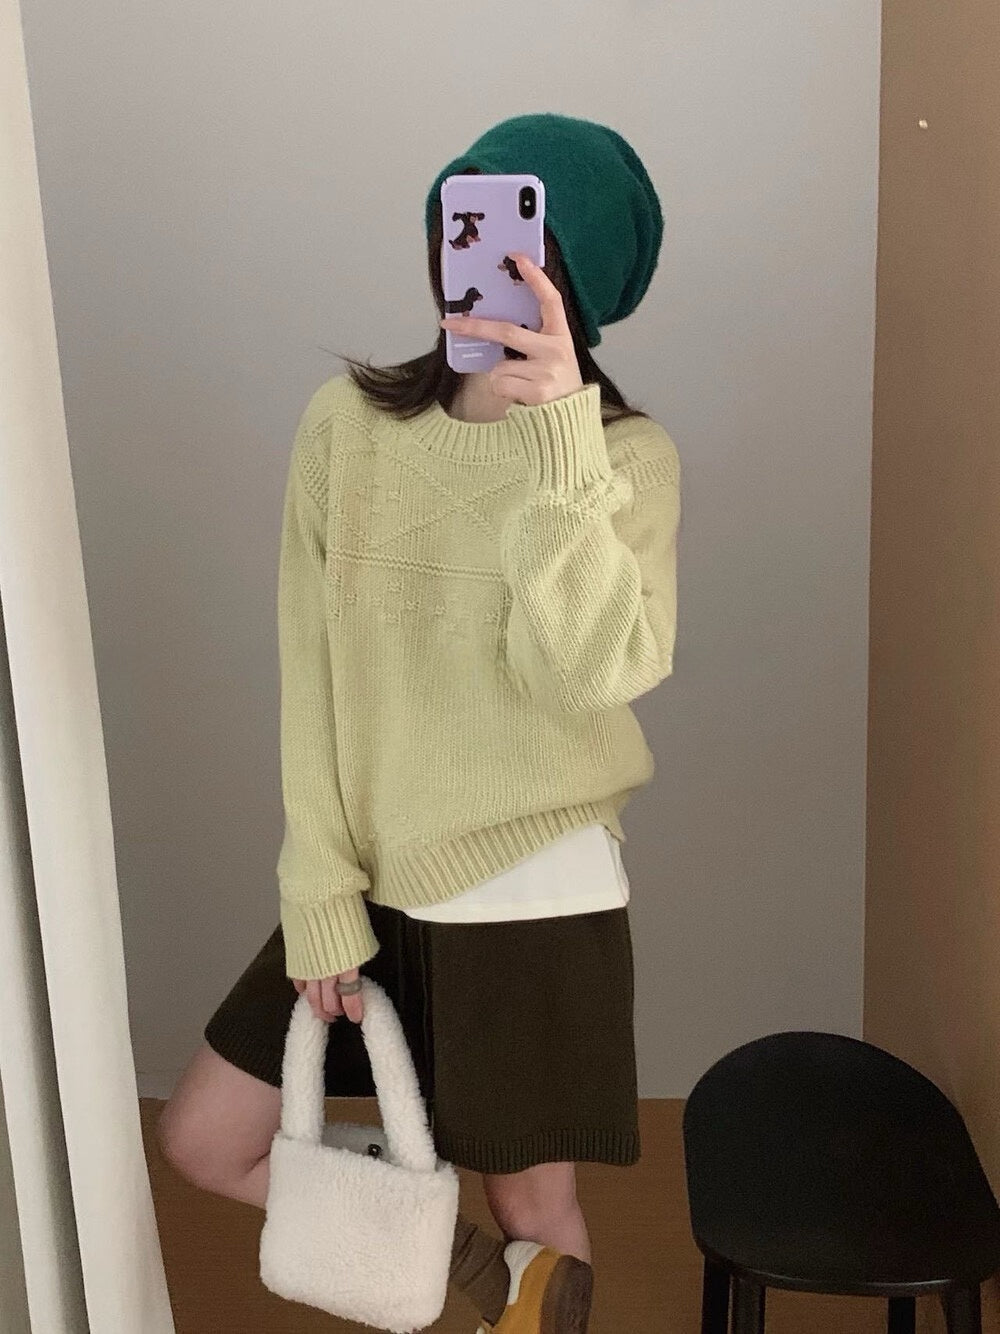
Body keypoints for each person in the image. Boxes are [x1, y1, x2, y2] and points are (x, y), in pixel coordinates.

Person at [157, 112, 680, 1334]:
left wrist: (557, 450)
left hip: (531, 889)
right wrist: (317, 885)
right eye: (460, 221)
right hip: (375, 874)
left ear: (573, 278)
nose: (474, 258)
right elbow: (311, 674)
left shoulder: (626, 459)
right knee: (207, 1135)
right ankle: (485, 1279)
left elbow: (589, 674)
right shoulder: (346, 427)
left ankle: (523, 1295)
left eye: (513, 236)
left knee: (534, 1204)